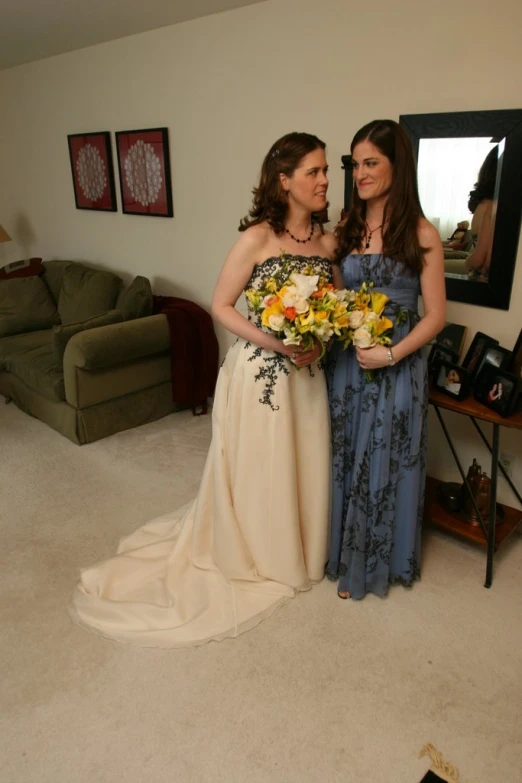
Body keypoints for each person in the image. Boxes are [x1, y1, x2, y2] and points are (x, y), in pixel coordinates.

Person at [70, 132, 338, 647]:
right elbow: (221, 306)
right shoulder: (257, 239)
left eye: (326, 170)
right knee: (260, 463)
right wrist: (277, 344)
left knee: (301, 459)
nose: (326, 180)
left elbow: (333, 314)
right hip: (261, 372)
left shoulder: (328, 244)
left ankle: (299, 548)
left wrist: (318, 345)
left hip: (308, 375)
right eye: (314, 172)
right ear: (285, 181)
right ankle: (262, 552)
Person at [325, 119, 446, 601]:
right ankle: (340, 555)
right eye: (355, 164)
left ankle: (376, 564)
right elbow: (335, 295)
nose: (360, 174)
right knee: (346, 452)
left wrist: (390, 352)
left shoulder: (422, 232)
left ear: (398, 166)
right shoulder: (346, 226)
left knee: (387, 458)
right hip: (348, 361)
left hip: (398, 363)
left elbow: (435, 315)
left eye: (371, 163)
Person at [465, 146, 499, 280]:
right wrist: (467, 261)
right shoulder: (492, 208)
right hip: (484, 282)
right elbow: (480, 260)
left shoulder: (482, 205)